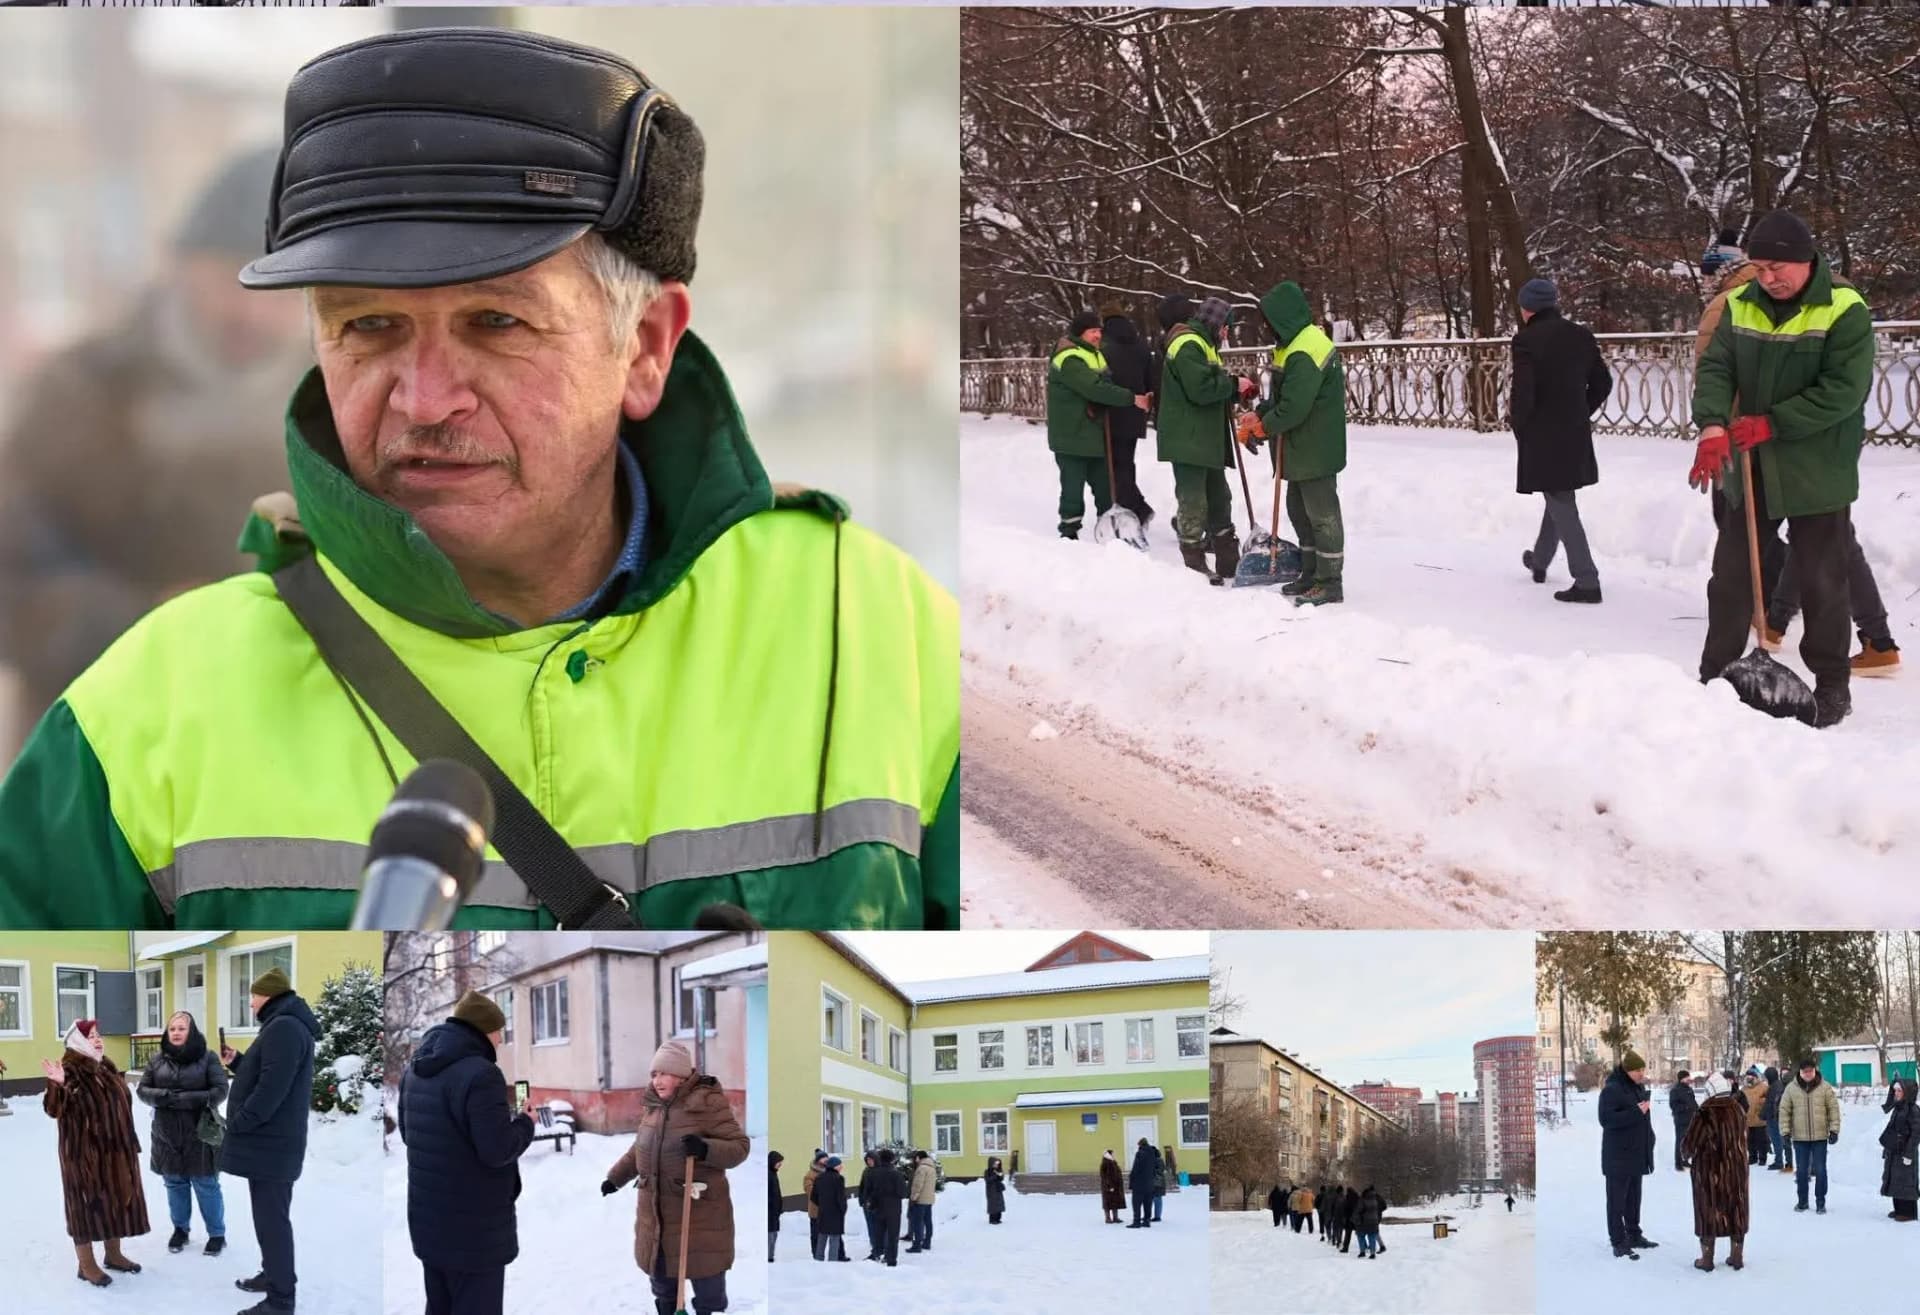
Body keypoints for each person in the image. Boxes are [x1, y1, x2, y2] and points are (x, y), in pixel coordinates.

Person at [0, 28, 960, 932]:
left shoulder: (874, 631)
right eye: (366, 327)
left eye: (497, 323)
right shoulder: (140, 713)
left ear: (645, 348)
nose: (424, 399)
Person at [0, 146, 309, 754]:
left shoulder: (331, 404)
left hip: (266, 756)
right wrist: (154, 618)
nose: (249, 311)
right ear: (181, 266)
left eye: (275, 286)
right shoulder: (83, 392)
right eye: (232, 278)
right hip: (90, 753)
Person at [1690, 209, 1877, 728]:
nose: (1768, 278)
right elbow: (1716, 366)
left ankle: (1832, 686)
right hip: (1749, 465)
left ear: (1804, 260)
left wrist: (1774, 422)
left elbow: (1844, 390)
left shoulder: (1845, 308)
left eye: (1778, 268)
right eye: (1760, 268)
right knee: (1730, 577)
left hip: (1817, 466)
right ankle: (1715, 675)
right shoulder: (1741, 304)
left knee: (1822, 581)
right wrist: (1710, 427)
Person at [396, 989, 536, 1315]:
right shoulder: (481, 1074)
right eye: (500, 1031)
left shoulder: (414, 1070)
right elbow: (498, 1149)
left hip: (430, 1223)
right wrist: (525, 1123)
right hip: (474, 1233)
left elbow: (409, 1134)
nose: (501, 1040)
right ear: (485, 1030)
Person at [602, 1040, 750, 1315]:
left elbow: (740, 1147)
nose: (658, 1080)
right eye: (654, 1074)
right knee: (664, 1290)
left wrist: (706, 1149)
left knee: (708, 1293)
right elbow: (640, 1150)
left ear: (682, 1076)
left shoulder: (707, 1103)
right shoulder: (654, 1107)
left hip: (700, 1217)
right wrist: (615, 1178)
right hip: (658, 1219)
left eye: (664, 1073)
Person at [1235, 281, 1348, 607]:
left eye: (1269, 320)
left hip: (1315, 446)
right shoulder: (1291, 345)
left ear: (1282, 317)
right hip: (1300, 447)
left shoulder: (1306, 349)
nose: (1266, 327)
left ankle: (1330, 581)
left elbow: (1295, 407)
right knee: (1300, 511)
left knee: (1322, 515)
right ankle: (1311, 573)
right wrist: (1258, 416)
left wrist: (1263, 429)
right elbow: (1280, 399)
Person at [220, 966, 319, 1315]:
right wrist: (239, 1062)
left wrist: (240, 1122)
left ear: (270, 995)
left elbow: (272, 1088)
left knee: (273, 1222)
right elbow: (268, 1073)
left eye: (254, 997)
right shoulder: (284, 1026)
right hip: (271, 1145)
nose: (251, 1004)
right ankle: (272, 1274)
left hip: (272, 1145)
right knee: (269, 1218)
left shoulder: (285, 1028)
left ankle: (281, 1299)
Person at [1510, 278, 1613, 604]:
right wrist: (1582, 410)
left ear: (1527, 309)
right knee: (1558, 493)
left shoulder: (1526, 340)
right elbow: (1603, 382)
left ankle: (1587, 580)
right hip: (1573, 430)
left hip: (1543, 432)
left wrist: (1521, 426)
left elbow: (1523, 392)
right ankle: (1539, 561)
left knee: (1561, 501)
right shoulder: (1581, 335)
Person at [1156, 295, 1257, 580]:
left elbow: (1208, 382)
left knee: (1218, 495)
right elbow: (1200, 388)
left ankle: (1227, 557)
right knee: (1193, 499)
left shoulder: (1201, 343)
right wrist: (1233, 383)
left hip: (1204, 436)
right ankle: (1194, 561)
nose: (1227, 333)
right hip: (1188, 436)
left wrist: (1234, 389)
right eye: (1226, 326)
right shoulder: (1187, 343)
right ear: (1215, 323)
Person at [43, 1019, 150, 1287]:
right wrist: (57, 1086)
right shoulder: (70, 1069)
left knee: (115, 1199)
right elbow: (54, 1109)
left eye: (98, 1034)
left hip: (116, 1150)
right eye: (90, 1036)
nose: (98, 1039)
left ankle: (113, 1255)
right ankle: (86, 1264)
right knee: (85, 1205)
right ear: (77, 1042)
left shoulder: (105, 1066)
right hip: (85, 1156)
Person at [1047, 309, 1151, 541]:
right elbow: (1093, 388)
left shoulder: (1094, 354)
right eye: (1092, 331)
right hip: (1071, 434)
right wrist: (1132, 398)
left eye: (1099, 331)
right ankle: (1069, 532)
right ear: (1080, 333)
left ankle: (1111, 526)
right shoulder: (1069, 357)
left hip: (1092, 431)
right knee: (1073, 489)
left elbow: (1105, 383)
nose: (1097, 335)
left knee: (1105, 485)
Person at [135, 1009, 229, 1256]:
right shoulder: (157, 1060)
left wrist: (187, 1099)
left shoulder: (207, 1057)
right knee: (174, 1183)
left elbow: (220, 1090)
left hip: (200, 1132)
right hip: (166, 1134)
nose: (176, 1033)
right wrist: (164, 1096)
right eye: (172, 1029)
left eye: (182, 1028)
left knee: (206, 1183)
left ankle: (217, 1234)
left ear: (192, 1031)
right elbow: (142, 1090)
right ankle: (180, 1230)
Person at [1680, 1071, 1750, 1272]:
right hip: (1736, 1169)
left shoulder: (1705, 1112)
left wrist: (1685, 1152)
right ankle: (1736, 1256)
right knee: (1736, 1209)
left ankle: (1707, 1259)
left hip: (1709, 1172)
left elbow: (1689, 1145)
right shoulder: (1738, 1109)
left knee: (1708, 1210)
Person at [1099, 305, 1157, 530]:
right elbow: (1149, 378)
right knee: (1125, 463)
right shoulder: (1141, 345)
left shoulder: (1103, 347)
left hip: (1110, 414)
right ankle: (1132, 509)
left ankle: (1137, 510)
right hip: (1136, 411)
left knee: (1112, 465)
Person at [1598, 1049, 1658, 1259]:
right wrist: (1636, 1112)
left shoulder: (1637, 1088)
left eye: (1642, 1069)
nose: (1641, 1073)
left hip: (1636, 1155)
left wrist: (1650, 1138)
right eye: (1637, 1070)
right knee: (1617, 1202)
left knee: (1634, 1199)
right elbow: (1606, 1120)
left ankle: (1634, 1234)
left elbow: (1643, 1119)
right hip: (1618, 1157)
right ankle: (1618, 1241)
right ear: (1627, 1070)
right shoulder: (1612, 1090)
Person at [1778, 1055, 1843, 1213]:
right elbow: (1784, 1111)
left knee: (1820, 1170)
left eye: (1811, 1071)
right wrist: (1785, 1132)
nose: (1808, 1074)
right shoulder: (1791, 1089)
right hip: (1800, 1138)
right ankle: (1802, 1201)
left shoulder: (1825, 1087)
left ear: (1815, 1071)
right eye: (1805, 1071)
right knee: (1801, 1171)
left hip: (1820, 1137)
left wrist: (1834, 1130)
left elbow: (1833, 1109)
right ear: (1800, 1072)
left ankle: (1820, 1202)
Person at [1880, 1078, 1917, 1222]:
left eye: (1899, 1090)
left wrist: (1909, 1154)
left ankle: (1908, 1213)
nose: (1896, 1093)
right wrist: (1887, 1147)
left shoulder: (1913, 1110)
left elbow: (1916, 1134)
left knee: (1906, 1181)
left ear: (1907, 1092)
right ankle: (1899, 1210)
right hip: (1895, 1150)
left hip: (1906, 1152)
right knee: (1896, 1180)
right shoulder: (1898, 1108)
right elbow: (1891, 1129)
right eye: (1895, 1090)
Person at [866, 1148, 906, 1266]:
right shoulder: (896, 1174)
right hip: (893, 1209)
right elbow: (903, 1193)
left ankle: (878, 1254)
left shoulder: (873, 1173)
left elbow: (869, 1190)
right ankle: (891, 1259)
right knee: (893, 1235)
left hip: (878, 1207)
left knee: (879, 1233)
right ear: (892, 1159)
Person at [810, 1155, 850, 1261]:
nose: (841, 1167)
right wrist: (843, 1209)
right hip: (835, 1213)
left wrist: (822, 1204)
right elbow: (840, 1197)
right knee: (834, 1239)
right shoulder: (838, 1179)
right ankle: (832, 1262)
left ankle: (819, 1260)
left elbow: (813, 1196)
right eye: (840, 1165)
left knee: (822, 1237)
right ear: (835, 1167)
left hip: (823, 1212)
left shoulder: (819, 1178)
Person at [906, 1149, 938, 1252]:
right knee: (928, 1222)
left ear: (919, 1158)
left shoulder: (921, 1169)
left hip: (920, 1200)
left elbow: (917, 1185)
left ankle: (917, 1245)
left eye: (916, 1158)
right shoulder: (932, 1168)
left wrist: (913, 1197)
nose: (915, 1160)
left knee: (918, 1223)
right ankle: (927, 1242)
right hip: (929, 1199)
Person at [854, 1151, 882, 1258]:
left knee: (877, 1227)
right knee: (870, 1226)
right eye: (867, 1160)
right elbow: (862, 1186)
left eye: (871, 1160)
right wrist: (861, 1199)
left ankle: (879, 1248)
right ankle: (874, 1246)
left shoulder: (880, 1171)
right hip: (866, 1203)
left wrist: (873, 1201)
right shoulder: (866, 1171)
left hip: (876, 1204)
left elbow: (878, 1189)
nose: (869, 1162)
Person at [1668, 1069, 1698, 1171]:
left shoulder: (1689, 1089)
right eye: (1687, 1077)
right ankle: (1678, 1163)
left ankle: (1685, 1160)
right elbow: (1673, 1105)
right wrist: (1686, 1108)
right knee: (1680, 1142)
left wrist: (1698, 1111)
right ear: (1682, 1078)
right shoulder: (1675, 1090)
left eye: (1688, 1077)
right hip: (1681, 1120)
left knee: (1688, 1141)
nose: (1689, 1079)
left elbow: (1693, 1102)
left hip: (1691, 1119)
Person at [1126, 1138, 1160, 1228]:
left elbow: (1135, 1168)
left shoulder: (1140, 1154)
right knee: (1148, 1203)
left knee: (1136, 1203)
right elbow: (1156, 1167)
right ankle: (1146, 1221)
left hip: (1139, 1184)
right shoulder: (1153, 1153)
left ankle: (1136, 1222)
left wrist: (1131, 1178)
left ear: (1140, 1145)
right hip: (1150, 1183)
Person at [1741, 1069, 1771, 1166]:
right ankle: (1752, 1157)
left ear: (1756, 1077)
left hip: (1759, 1119)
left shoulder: (1763, 1087)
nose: (1749, 1078)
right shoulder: (1744, 1089)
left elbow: (1769, 1099)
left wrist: (1762, 1103)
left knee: (1761, 1140)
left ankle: (1762, 1158)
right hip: (1748, 1119)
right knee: (1750, 1141)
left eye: (1751, 1076)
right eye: (1747, 1076)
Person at [1764, 1065, 1790, 1172]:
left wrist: (1764, 1114)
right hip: (1775, 1116)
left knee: (1777, 1140)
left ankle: (1779, 1161)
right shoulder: (1777, 1085)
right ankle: (1780, 1160)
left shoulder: (1775, 1087)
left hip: (1774, 1118)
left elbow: (1771, 1103)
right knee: (1778, 1140)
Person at [802, 1150, 827, 1258]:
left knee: (834, 1234)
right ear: (818, 1161)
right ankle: (816, 1255)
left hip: (828, 1210)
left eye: (826, 1158)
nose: (826, 1160)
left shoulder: (829, 1171)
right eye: (823, 1158)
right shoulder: (810, 1174)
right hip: (816, 1210)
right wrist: (823, 1193)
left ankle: (839, 1254)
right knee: (816, 1234)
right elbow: (809, 1190)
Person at [1353, 1184, 1385, 1259]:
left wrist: (1356, 1218)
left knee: (1360, 1236)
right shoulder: (1375, 1199)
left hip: (1364, 1222)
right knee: (1372, 1237)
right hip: (1374, 1221)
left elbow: (1358, 1210)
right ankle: (1372, 1253)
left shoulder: (1362, 1200)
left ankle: (1362, 1252)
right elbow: (1380, 1207)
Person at [1100, 1149, 1127, 1224]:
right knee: (1108, 1202)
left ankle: (1115, 1217)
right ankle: (1108, 1218)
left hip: (1115, 1186)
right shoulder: (1106, 1163)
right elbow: (1106, 1176)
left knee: (1114, 1201)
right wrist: (1109, 1186)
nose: (1114, 1155)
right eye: (1112, 1153)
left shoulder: (1112, 1162)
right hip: (1109, 1186)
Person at [768, 1151, 785, 1262]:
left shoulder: (773, 1173)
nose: (780, 1164)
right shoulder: (768, 1175)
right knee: (770, 1236)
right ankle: (769, 1257)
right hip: (770, 1212)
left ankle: (770, 1256)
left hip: (774, 1212)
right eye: (779, 1162)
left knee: (774, 1235)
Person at [985, 1156, 1006, 1225]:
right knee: (993, 1205)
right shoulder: (987, 1171)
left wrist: (1000, 1175)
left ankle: (998, 1219)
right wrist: (994, 1176)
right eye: (995, 1164)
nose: (996, 1165)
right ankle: (992, 1220)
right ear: (991, 1164)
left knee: (999, 1204)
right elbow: (988, 1180)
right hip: (991, 1191)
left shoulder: (998, 1170)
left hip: (998, 1190)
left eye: (997, 1164)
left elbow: (1001, 1178)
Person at [1151, 1144, 1170, 1221]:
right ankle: (1152, 1215)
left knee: (1157, 1199)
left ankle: (1157, 1216)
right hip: (1155, 1183)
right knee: (1153, 1199)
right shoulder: (1157, 1159)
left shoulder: (1158, 1160)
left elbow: (1159, 1171)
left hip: (1158, 1183)